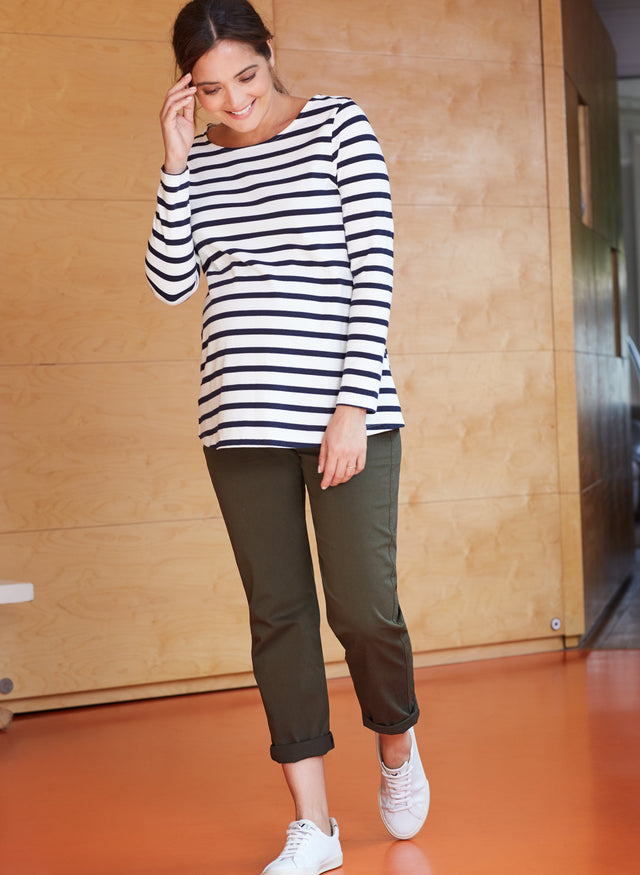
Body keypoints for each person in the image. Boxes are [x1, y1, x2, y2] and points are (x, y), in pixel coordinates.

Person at [145, 1, 429, 872]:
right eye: (210, 89)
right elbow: (169, 285)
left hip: (346, 414)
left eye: (247, 76)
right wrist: (175, 163)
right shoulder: (200, 161)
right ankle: (315, 824)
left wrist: (351, 406)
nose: (234, 100)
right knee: (279, 617)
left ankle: (396, 741)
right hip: (238, 421)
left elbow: (374, 268)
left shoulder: (339, 126)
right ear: (188, 90)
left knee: (363, 609)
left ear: (271, 53)